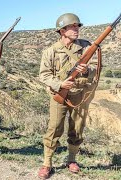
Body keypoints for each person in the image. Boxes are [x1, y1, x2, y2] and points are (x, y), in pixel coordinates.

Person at [38, 13, 99, 179]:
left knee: (77, 128)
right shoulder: (51, 51)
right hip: (59, 94)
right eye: (72, 26)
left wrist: (87, 70)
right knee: (55, 128)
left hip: (79, 94)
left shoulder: (86, 47)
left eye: (77, 26)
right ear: (62, 30)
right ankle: (47, 163)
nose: (76, 29)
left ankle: (71, 159)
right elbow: (44, 75)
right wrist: (60, 84)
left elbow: (96, 68)